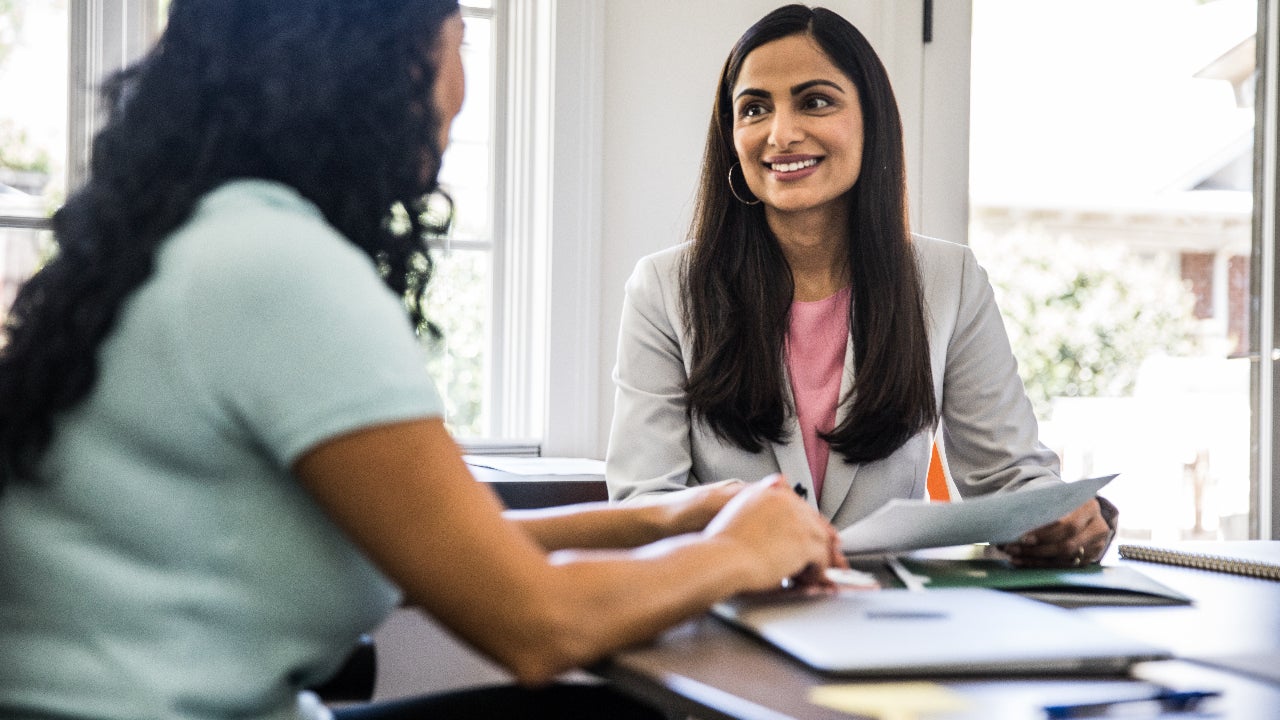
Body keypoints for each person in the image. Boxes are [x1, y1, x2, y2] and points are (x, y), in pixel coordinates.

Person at [0, 2, 846, 719]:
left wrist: (669, 520)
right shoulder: (277, 270)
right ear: (380, 63)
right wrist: (741, 550)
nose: (462, 91)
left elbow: (442, 545)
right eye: (457, 44)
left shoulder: (200, 237)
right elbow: (537, 624)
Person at [605, 4, 1117, 569]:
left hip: (891, 620)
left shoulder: (950, 280)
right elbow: (643, 505)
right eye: (754, 109)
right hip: (729, 612)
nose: (781, 133)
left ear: (871, 121)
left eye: (815, 101)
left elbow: (1007, 476)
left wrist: (1057, 517)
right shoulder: (664, 290)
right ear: (731, 136)